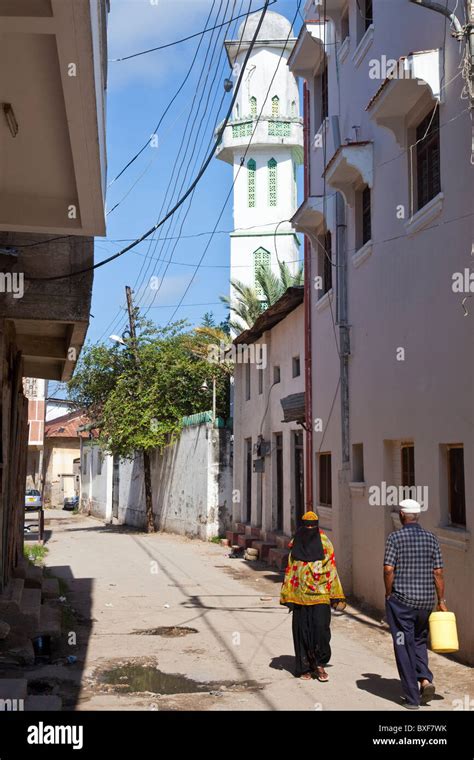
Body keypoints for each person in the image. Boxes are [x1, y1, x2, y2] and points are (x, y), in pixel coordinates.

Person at [383, 498, 446, 709]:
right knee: (419, 641)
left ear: (402, 515)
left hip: (401, 604)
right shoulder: (431, 538)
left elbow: (388, 569)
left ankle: (411, 698)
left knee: (402, 645)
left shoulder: (395, 538)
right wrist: (441, 601)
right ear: (417, 516)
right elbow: (438, 572)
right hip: (426, 604)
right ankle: (425, 679)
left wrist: (388, 592)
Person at [280, 511, 346, 681]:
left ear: (317, 526)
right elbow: (291, 569)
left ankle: (320, 664)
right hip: (300, 596)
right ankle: (304, 667)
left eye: (312, 526)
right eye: (306, 526)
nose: (309, 529)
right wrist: (288, 594)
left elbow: (331, 568)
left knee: (320, 629)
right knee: (302, 631)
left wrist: (336, 595)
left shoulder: (325, 543)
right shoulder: (296, 543)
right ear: (302, 526)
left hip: (321, 594)